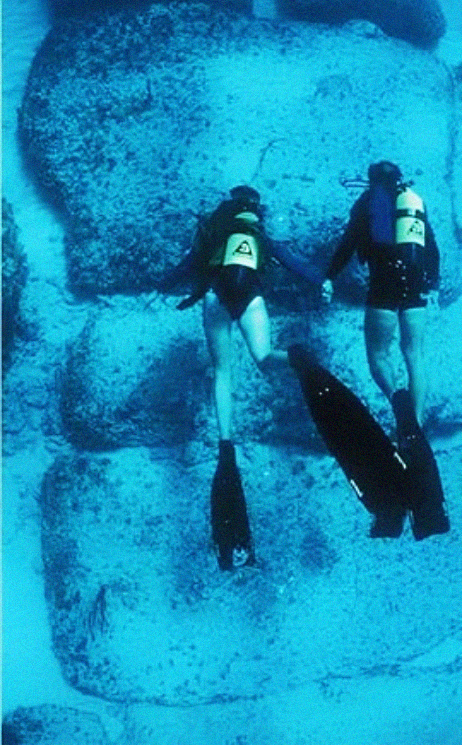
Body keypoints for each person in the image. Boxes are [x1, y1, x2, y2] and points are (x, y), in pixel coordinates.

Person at [160, 184, 321, 569]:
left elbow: (188, 265)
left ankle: (226, 441)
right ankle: (297, 359)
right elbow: (290, 261)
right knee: (264, 357)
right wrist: (320, 279)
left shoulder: (215, 228)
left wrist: (163, 283)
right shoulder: (259, 233)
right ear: (257, 210)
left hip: (217, 296)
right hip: (251, 295)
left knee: (222, 370)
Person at [321, 160, 439, 425]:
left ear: (371, 180)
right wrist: (433, 285)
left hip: (384, 281)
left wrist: (329, 276)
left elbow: (348, 244)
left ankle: (401, 413)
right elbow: (431, 247)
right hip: (416, 282)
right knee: (415, 354)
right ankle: (416, 424)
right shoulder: (414, 201)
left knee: (378, 355)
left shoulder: (368, 201)